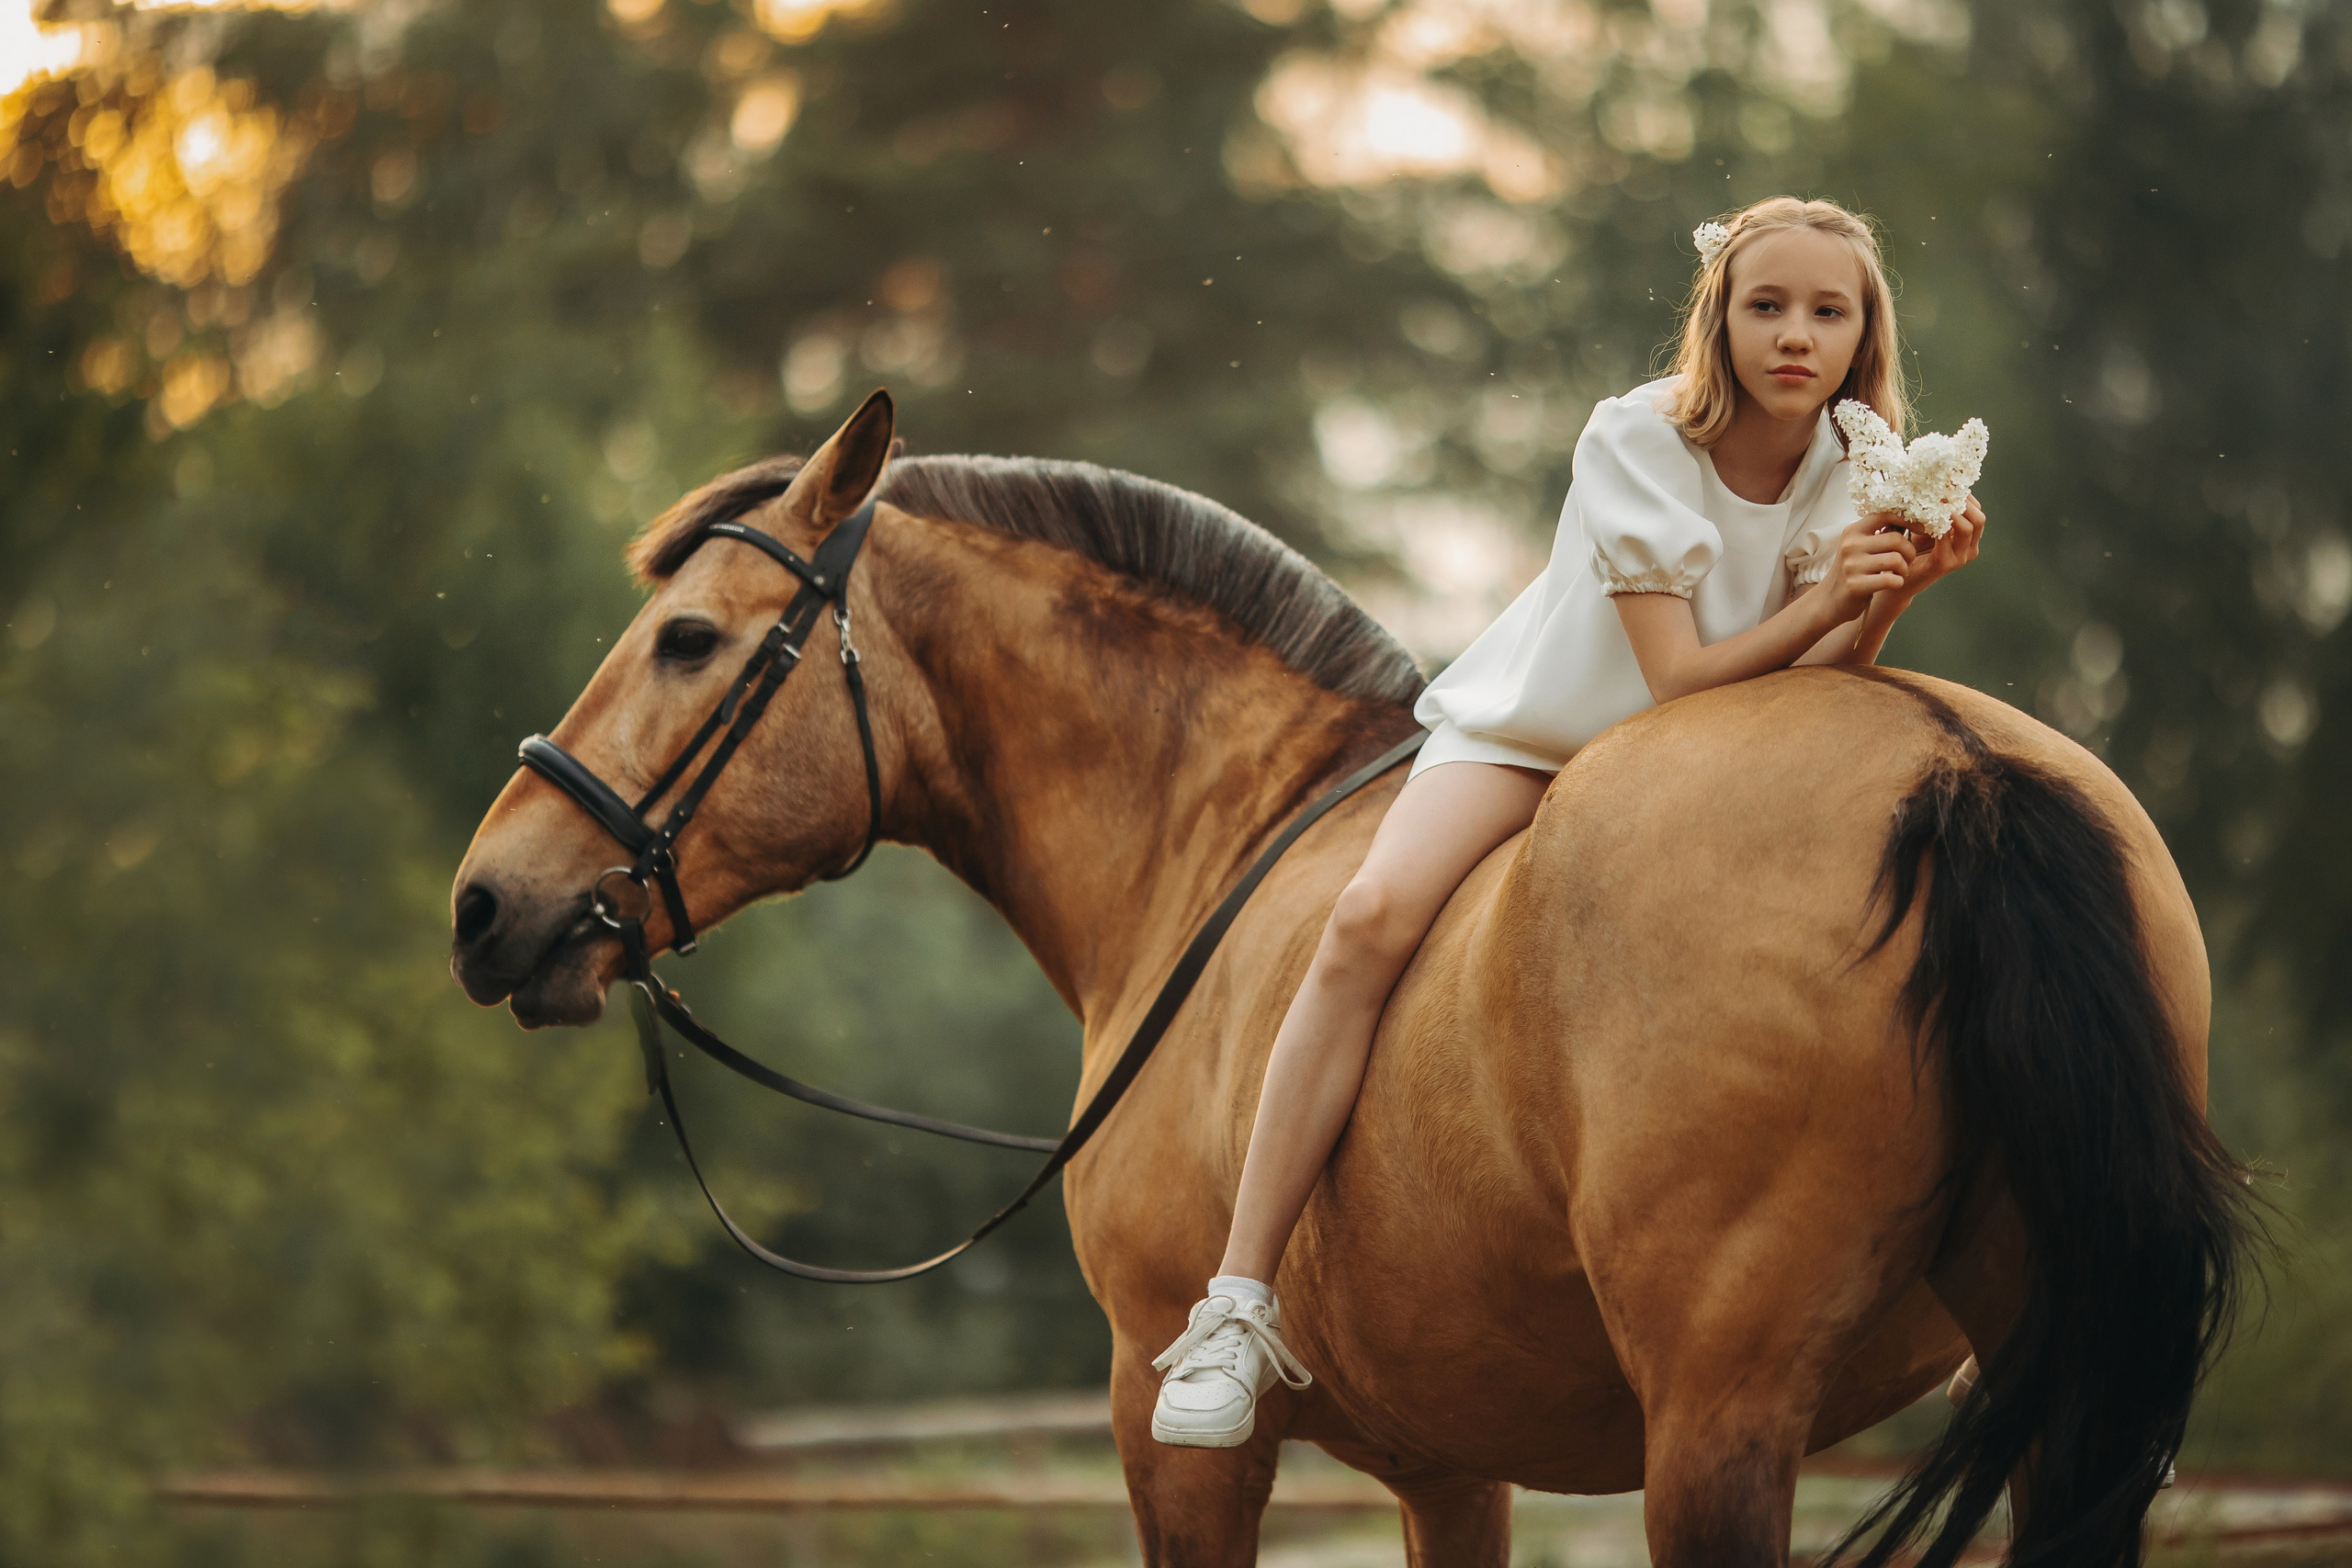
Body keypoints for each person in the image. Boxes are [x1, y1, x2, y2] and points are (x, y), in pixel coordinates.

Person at [1149, 196, 1990, 1449]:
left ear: (1868, 332)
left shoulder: (1852, 464)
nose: (1795, 336)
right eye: (1767, 306)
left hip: (1705, 762)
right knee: (1367, 921)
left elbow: (1825, 681)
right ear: (1721, 317)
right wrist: (1831, 605)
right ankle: (1240, 1297)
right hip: (1548, 737)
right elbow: (1673, 675)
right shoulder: (1637, 439)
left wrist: (1892, 588)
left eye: (1829, 310)